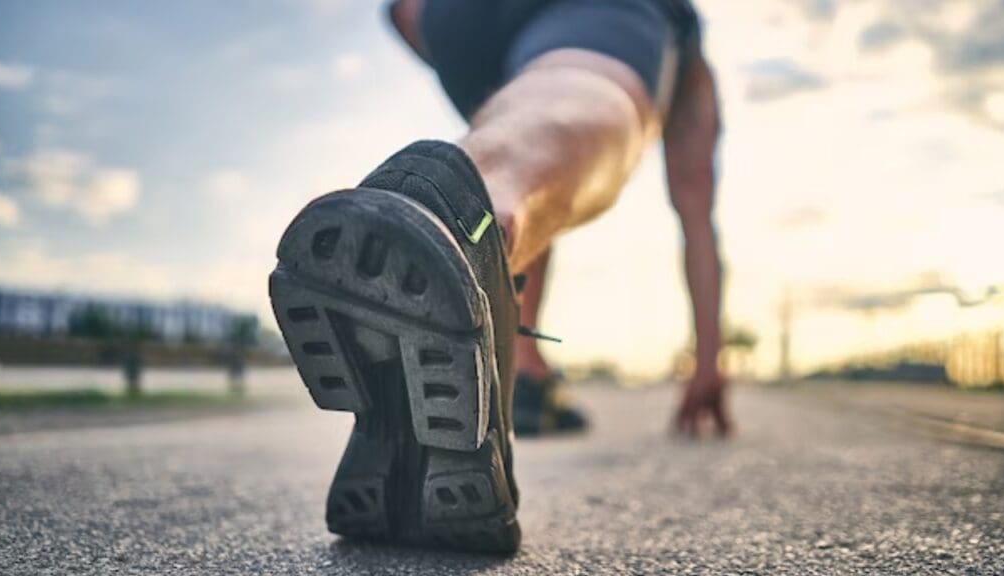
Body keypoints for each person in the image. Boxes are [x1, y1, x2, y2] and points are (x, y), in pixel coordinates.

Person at [269, 0, 730, 554]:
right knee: (567, 90)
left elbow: (400, 12)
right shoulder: (680, 52)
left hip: (450, 22)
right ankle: (453, 205)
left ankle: (505, 329)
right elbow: (695, 210)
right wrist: (709, 363)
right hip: (540, 36)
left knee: (527, 156)